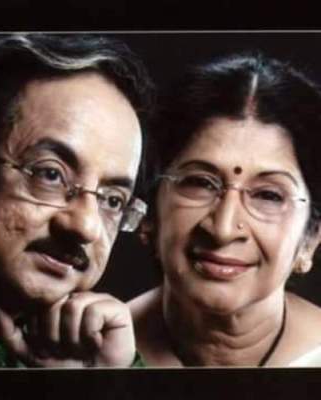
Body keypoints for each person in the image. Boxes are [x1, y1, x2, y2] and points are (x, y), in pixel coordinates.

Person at [0, 33, 152, 368]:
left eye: (112, 200)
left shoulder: (79, 355)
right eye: (50, 174)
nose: (87, 226)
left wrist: (102, 381)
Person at [130, 52, 321, 367]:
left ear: (310, 238)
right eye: (200, 183)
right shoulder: (92, 358)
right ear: (150, 212)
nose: (223, 228)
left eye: (269, 195)